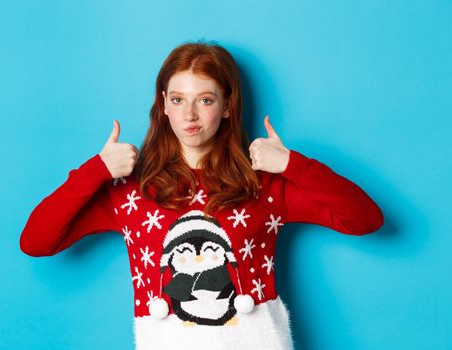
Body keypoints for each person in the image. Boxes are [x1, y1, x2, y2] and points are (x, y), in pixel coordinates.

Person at [20, 40, 384, 350]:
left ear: (227, 105)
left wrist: (291, 164)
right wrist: (96, 170)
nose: (189, 114)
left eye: (205, 100)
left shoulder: (265, 184)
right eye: (178, 99)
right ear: (163, 104)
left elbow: (365, 219)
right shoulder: (131, 190)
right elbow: (36, 241)